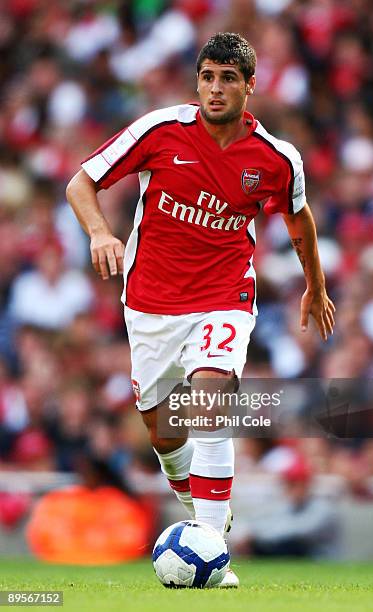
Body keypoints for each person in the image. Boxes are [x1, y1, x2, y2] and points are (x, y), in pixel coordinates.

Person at [66, 32, 335, 587]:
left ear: (249, 87)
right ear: (198, 82)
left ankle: (214, 548)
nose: (216, 88)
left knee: (210, 400)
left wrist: (317, 285)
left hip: (224, 296)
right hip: (150, 302)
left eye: (228, 78)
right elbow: (81, 182)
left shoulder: (277, 159)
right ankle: (202, 512)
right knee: (164, 431)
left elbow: (298, 219)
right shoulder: (160, 131)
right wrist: (99, 232)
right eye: (208, 77)